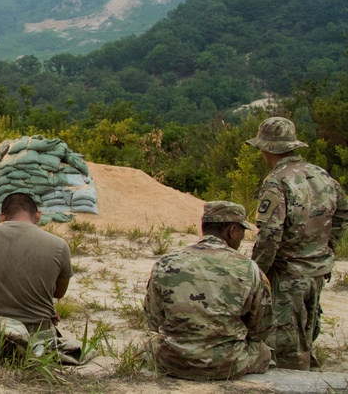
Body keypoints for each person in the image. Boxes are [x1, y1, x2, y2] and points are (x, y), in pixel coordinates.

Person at [247, 116, 348, 369]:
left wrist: (257, 273)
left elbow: (269, 235)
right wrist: (328, 246)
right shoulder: (321, 175)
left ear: (266, 148)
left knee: (286, 351)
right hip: (317, 270)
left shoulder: (277, 181)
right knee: (305, 335)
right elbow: (343, 211)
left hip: (287, 274)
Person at [144, 201, 272, 379]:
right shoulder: (249, 268)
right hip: (228, 365)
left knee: (146, 342)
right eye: (241, 232)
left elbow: (154, 319)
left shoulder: (166, 263)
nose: (241, 238)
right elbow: (261, 328)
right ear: (232, 231)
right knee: (264, 350)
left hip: (172, 362)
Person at [0, 192, 73, 335]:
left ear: (1, 217)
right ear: (38, 215)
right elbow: (58, 293)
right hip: (38, 333)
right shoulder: (59, 245)